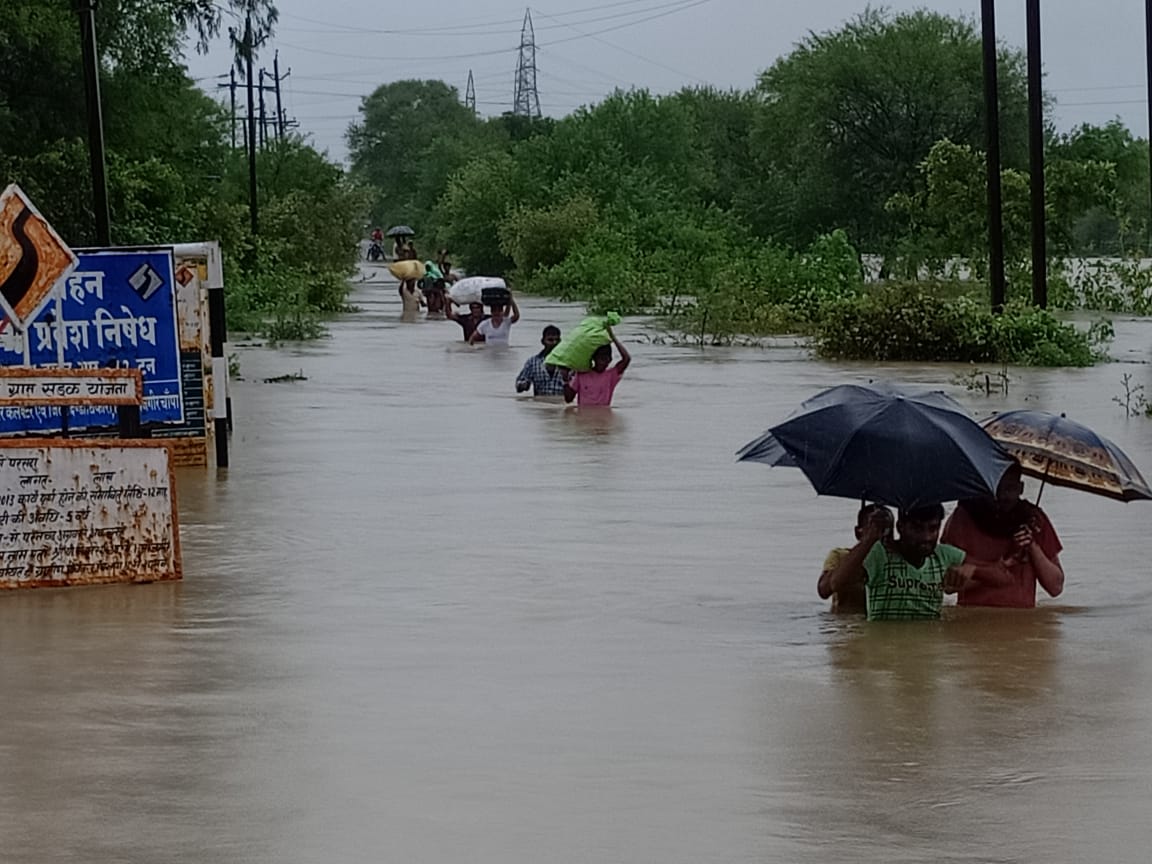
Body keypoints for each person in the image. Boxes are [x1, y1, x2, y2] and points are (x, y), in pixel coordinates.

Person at [826, 503, 1000, 621]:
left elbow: (1003, 577)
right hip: (884, 654)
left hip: (927, 654)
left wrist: (973, 569)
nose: (926, 537)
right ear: (901, 527)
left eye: (933, 529)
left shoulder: (944, 555)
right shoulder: (879, 554)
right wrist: (868, 539)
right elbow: (835, 583)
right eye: (917, 528)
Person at [941, 461, 1064, 608]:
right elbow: (947, 585)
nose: (1002, 496)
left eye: (1010, 488)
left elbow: (1055, 587)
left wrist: (1032, 546)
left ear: (1021, 488)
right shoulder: (963, 518)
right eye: (997, 488)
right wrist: (997, 570)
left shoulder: (1035, 520)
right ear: (985, 485)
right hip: (973, 619)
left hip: (1022, 622)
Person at [818, 504, 894, 613]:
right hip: (845, 622)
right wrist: (868, 541)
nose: (880, 536)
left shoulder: (894, 561)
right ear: (858, 532)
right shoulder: (841, 556)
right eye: (874, 528)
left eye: (885, 530)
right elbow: (824, 590)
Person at [562, 325, 630, 407]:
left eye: (607, 359)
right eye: (601, 358)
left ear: (610, 359)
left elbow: (626, 358)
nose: (604, 362)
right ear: (594, 358)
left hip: (604, 417)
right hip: (583, 417)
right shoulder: (582, 374)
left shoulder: (611, 375)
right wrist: (565, 380)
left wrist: (613, 338)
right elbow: (568, 399)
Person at [516, 326, 565, 397]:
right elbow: (519, 384)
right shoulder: (533, 362)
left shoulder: (567, 363)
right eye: (550, 340)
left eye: (557, 340)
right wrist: (524, 385)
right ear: (543, 341)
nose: (554, 343)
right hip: (540, 405)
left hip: (561, 405)